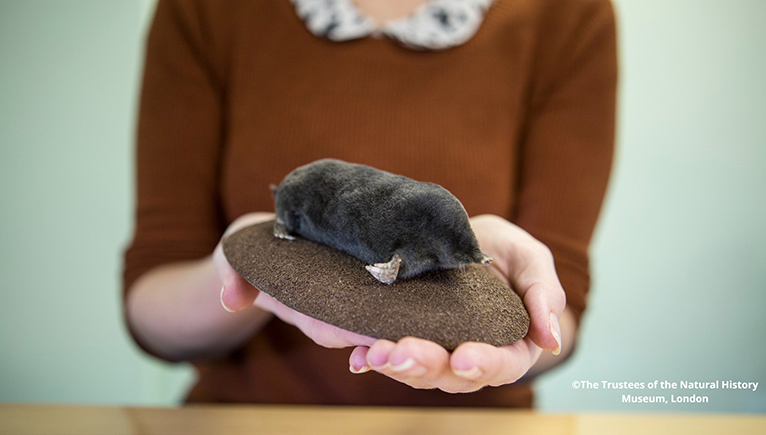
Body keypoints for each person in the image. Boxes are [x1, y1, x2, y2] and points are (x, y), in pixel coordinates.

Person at [123, 0, 617, 406]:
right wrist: (248, 268)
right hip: (250, 418)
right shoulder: (205, 11)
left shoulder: (569, 14)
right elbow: (151, 302)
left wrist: (526, 314)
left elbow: (560, 315)